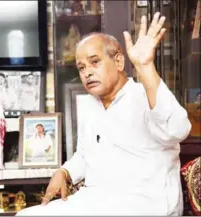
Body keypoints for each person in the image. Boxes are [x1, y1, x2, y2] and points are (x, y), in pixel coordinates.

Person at [16, 12, 191, 216]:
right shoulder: (91, 106)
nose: (87, 72)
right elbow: (85, 154)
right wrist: (65, 172)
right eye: (81, 67)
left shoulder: (146, 94)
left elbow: (178, 129)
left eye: (95, 62)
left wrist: (146, 68)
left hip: (145, 205)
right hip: (96, 201)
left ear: (118, 62)